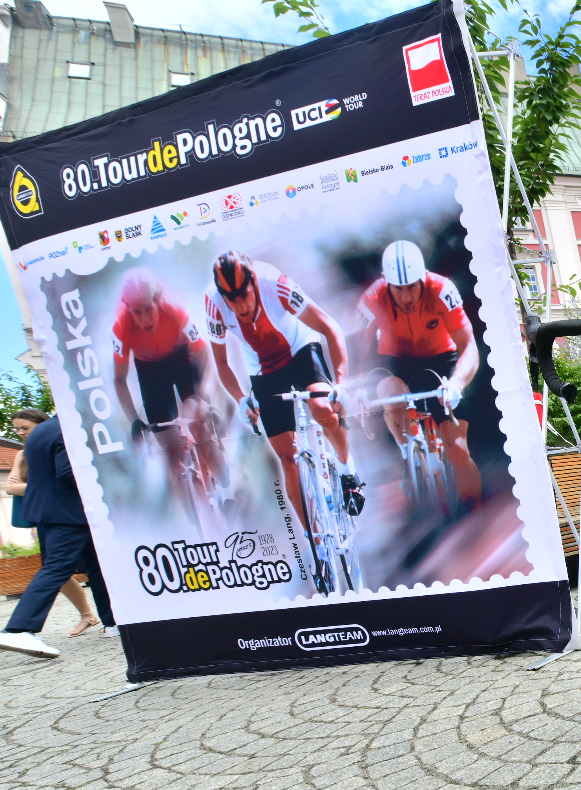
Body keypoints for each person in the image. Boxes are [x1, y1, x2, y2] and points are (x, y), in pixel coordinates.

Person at [205, 251, 365, 541]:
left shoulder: (275, 284)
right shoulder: (214, 306)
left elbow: (330, 327)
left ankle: (347, 470)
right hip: (264, 369)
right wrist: (241, 398)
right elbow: (221, 364)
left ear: (253, 282)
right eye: (232, 298)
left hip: (300, 350)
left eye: (244, 294)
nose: (240, 304)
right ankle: (315, 541)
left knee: (322, 409)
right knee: (286, 458)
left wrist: (340, 383)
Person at [356, 240, 482, 505]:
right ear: (384, 282)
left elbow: (469, 345)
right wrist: (356, 389)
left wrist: (457, 383)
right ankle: (408, 452)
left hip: (441, 359)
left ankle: (474, 508)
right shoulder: (371, 298)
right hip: (396, 361)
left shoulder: (442, 290)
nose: (405, 297)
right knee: (390, 393)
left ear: (423, 278)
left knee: (458, 448)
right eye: (397, 289)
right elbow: (357, 352)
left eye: (412, 286)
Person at [0, 413, 116, 658]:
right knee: (58, 567)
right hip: (68, 511)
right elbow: (68, 472)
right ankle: (19, 628)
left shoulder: (41, 432)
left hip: (53, 512)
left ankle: (113, 622)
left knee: (97, 565)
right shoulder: (66, 428)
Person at [111, 270, 221, 494]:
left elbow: (203, 354)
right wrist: (134, 420)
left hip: (181, 358)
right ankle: (192, 506)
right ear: (128, 309)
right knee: (168, 448)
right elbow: (120, 380)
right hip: (150, 371)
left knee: (198, 419)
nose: (144, 319)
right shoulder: (121, 328)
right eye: (137, 312)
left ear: (158, 300)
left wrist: (202, 393)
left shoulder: (175, 310)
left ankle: (220, 482)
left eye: (149, 309)